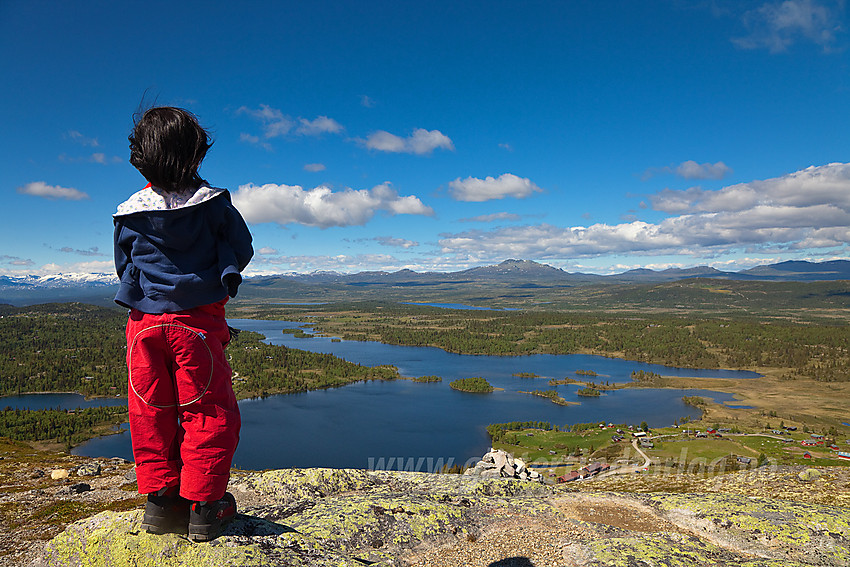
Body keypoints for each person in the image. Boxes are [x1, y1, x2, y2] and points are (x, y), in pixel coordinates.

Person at [113, 106, 253, 541]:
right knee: (208, 410)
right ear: (196, 154)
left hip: (144, 326)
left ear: (141, 157)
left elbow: (124, 266)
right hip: (196, 324)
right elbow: (241, 248)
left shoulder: (127, 212)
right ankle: (205, 506)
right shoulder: (213, 206)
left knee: (149, 410)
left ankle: (160, 502)